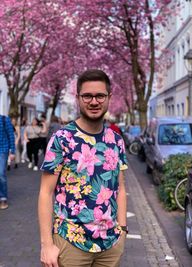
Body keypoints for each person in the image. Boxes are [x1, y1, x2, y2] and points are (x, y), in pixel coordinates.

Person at [38, 69, 128, 267]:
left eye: (100, 96)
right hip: (70, 242)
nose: (94, 101)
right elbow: (46, 192)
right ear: (78, 98)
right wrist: (46, 245)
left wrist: (123, 229)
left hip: (110, 245)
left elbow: (120, 188)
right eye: (87, 96)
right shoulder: (62, 139)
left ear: (109, 98)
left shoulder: (116, 140)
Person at [0, 115, 15, 209]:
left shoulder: (4, 120)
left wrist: (12, 151)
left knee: (1, 173)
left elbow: (11, 135)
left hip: (2, 150)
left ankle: (3, 198)